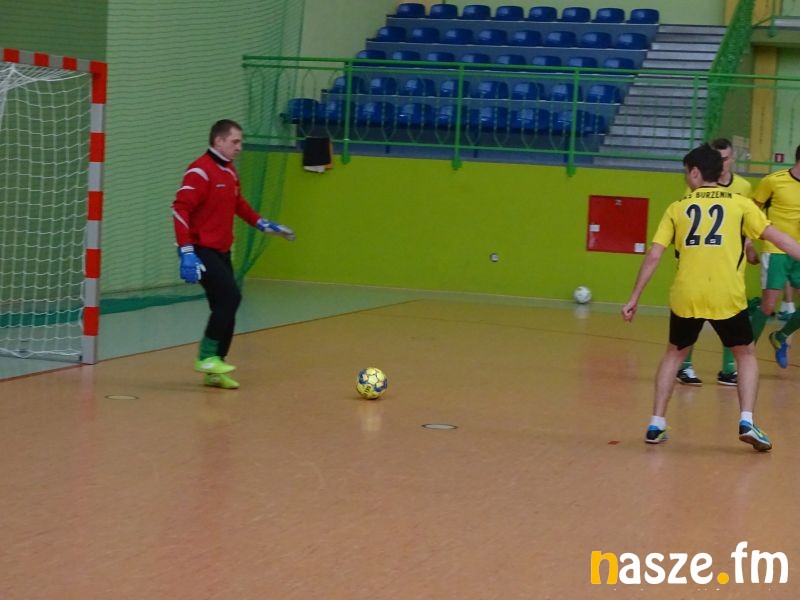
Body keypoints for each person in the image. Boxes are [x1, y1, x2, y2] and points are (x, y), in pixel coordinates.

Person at [622, 143, 800, 451]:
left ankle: (656, 423)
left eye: (685, 172)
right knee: (745, 354)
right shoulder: (741, 204)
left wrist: (634, 297)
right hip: (726, 294)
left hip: (686, 294)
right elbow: (780, 239)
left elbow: (654, 255)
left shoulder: (677, 207)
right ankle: (746, 421)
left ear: (695, 172)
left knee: (674, 354)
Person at [172, 119, 295, 389]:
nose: (239, 147)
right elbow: (179, 209)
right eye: (235, 141)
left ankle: (215, 368)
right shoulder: (199, 171)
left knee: (226, 307)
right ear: (218, 141)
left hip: (222, 250)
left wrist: (264, 224)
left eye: (240, 142)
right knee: (231, 297)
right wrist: (187, 251)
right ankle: (206, 357)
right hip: (202, 250)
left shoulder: (229, 171)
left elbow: (238, 203)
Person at [676, 138, 754, 387]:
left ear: (733, 159)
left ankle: (728, 369)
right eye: (717, 159)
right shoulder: (696, 188)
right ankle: (685, 366)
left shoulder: (744, 187)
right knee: (692, 316)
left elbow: (749, 223)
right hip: (699, 263)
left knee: (730, 318)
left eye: (726, 158)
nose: (722, 163)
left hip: (730, 264)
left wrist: (749, 246)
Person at [748, 144, 800, 369]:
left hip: (798, 252)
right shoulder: (773, 181)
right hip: (775, 249)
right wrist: (749, 242)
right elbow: (752, 211)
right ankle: (746, 355)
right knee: (768, 306)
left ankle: (781, 336)